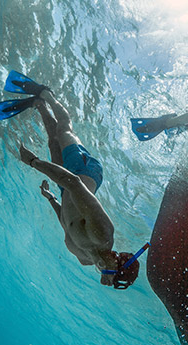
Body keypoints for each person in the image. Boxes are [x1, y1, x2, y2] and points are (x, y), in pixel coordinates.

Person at [14, 82, 140, 289]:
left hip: (65, 190)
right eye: (109, 276)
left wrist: (52, 199)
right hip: (84, 172)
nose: (102, 277)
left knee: (53, 144)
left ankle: (39, 105)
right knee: (63, 131)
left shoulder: (85, 258)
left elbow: (67, 224)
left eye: (106, 280)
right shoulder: (102, 233)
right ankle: (48, 94)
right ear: (118, 262)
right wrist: (33, 162)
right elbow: (74, 183)